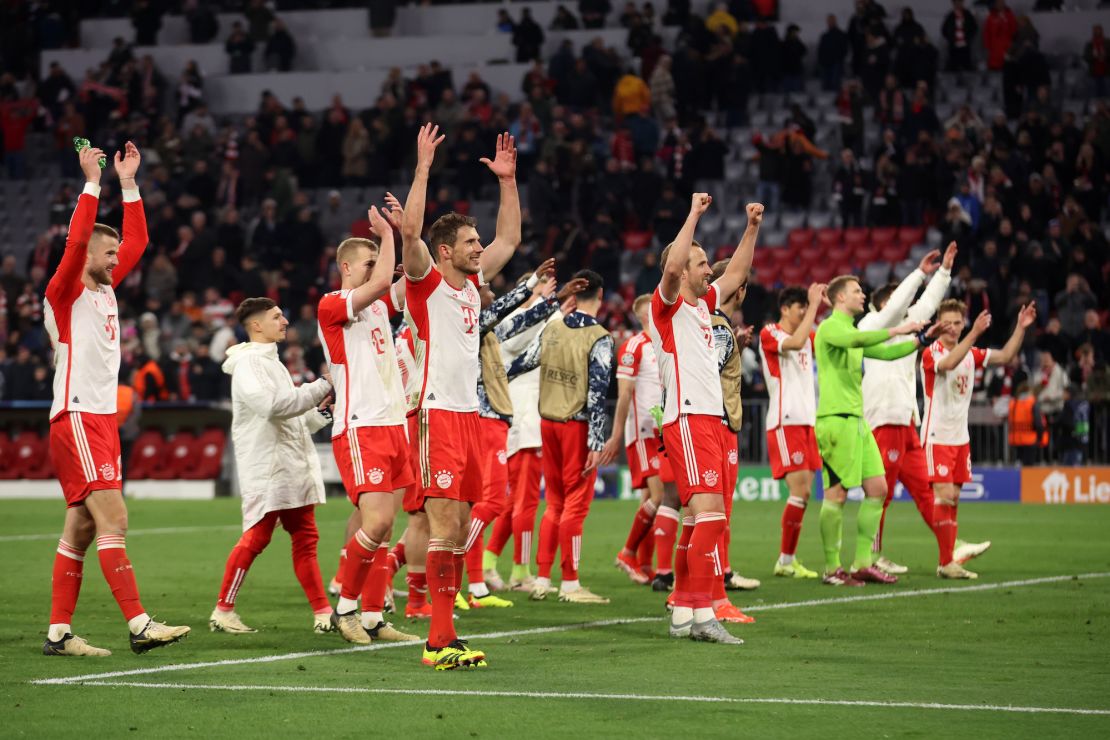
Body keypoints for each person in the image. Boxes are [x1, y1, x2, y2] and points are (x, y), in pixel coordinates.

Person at [43, 141, 190, 657]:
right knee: (115, 519)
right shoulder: (66, 290)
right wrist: (92, 181)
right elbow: (79, 237)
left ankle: (59, 634)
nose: (117, 258)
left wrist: (129, 183)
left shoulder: (104, 288)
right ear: (86, 255)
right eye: (108, 253)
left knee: (81, 528)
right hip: (79, 413)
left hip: (100, 419)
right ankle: (138, 623)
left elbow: (140, 238)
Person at [400, 124, 520, 670]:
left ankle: (444, 636)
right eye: (471, 243)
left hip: (469, 416)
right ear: (445, 251)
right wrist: (423, 168)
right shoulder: (427, 282)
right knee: (445, 526)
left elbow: (511, 241)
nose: (481, 248)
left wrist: (508, 182)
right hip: (436, 416)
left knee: (454, 529)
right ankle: (436, 641)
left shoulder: (471, 287)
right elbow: (409, 232)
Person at [651, 195, 761, 646]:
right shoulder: (669, 305)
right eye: (699, 263)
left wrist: (751, 227)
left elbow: (735, 273)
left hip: (710, 420)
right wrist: (692, 216)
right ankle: (700, 614)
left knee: (699, 521)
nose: (707, 269)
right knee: (711, 518)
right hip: (688, 417)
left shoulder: (703, 307)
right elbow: (674, 268)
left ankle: (683, 609)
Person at [317, 211, 420, 645]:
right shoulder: (331, 304)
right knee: (375, 524)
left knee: (385, 527)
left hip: (394, 423)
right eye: (367, 261)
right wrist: (389, 235)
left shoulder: (378, 306)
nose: (376, 268)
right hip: (362, 426)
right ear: (345, 268)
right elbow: (381, 282)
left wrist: (408, 231)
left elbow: (412, 279)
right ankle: (345, 609)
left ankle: (375, 617)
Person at [209, 298, 334, 635]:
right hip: (268, 466)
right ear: (256, 325)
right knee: (257, 536)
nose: (285, 321)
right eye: (277, 317)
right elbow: (273, 406)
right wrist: (323, 384)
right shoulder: (250, 364)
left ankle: (323, 613)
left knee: (306, 537)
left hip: (289, 465)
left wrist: (323, 413)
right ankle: (223, 609)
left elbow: (294, 418)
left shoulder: (272, 363)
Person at [861, 244, 987, 574]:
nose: (904, 307)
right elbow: (904, 306)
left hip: (906, 421)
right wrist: (918, 274)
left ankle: (951, 548)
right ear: (884, 304)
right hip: (884, 419)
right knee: (881, 493)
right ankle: (872, 556)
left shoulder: (905, 329)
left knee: (926, 493)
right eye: (896, 301)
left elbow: (928, 305)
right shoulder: (872, 327)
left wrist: (944, 271)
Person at [463, 259, 583, 604]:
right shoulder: (476, 324)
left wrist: (554, 298)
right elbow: (517, 323)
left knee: (491, 502)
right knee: (491, 502)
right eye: (485, 289)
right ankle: (466, 570)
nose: (491, 292)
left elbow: (519, 321)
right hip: (493, 418)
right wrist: (538, 291)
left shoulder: (491, 331)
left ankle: (476, 582)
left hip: (501, 416)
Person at [814, 275, 928, 587]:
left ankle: (863, 562)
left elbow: (888, 353)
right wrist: (898, 329)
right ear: (840, 299)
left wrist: (921, 340)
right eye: (857, 291)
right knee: (836, 494)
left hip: (858, 421)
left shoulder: (851, 332)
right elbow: (857, 342)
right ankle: (831, 568)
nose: (862, 295)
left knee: (877, 488)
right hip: (836, 420)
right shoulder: (831, 328)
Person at [509, 270, 614, 603]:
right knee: (575, 507)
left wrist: (494, 376)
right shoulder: (599, 336)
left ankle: (542, 578)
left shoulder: (552, 327)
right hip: (577, 426)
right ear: (599, 296)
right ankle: (570, 583)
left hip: (548, 423)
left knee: (553, 503)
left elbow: (525, 362)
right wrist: (597, 441)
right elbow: (597, 393)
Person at [921, 299, 1036, 578]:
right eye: (947, 323)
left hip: (960, 438)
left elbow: (1006, 356)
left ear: (963, 324)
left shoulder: (972, 354)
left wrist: (1020, 328)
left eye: (958, 323)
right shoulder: (931, 353)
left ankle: (948, 561)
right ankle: (947, 561)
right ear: (939, 324)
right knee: (944, 495)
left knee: (955, 497)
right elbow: (948, 364)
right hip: (937, 436)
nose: (952, 328)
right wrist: (974, 333)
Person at [759, 283, 825, 580]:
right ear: (785, 309)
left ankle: (788, 559)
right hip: (786, 421)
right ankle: (785, 560)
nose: (804, 312)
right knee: (799, 491)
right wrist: (814, 304)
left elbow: (817, 339)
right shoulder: (770, 332)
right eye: (800, 308)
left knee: (806, 493)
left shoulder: (808, 336)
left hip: (808, 422)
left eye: (805, 307)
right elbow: (797, 343)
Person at [707, 262, 760, 613]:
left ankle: (707, 583)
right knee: (714, 514)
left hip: (713, 424)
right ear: (738, 289)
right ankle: (712, 593)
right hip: (716, 426)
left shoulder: (717, 327)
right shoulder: (718, 327)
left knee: (707, 514)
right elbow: (705, 376)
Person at [607, 294, 664, 586]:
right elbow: (625, 393)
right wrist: (618, 434)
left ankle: (644, 563)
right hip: (643, 431)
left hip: (662, 431)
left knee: (649, 498)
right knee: (659, 496)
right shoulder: (634, 346)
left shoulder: (665, 345)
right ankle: (627, 553)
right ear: (645, 315)